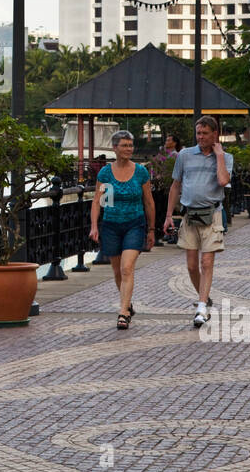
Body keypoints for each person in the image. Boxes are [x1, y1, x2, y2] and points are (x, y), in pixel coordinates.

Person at [162, 115, 233, 328]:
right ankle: (204, 297)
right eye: (198, 133)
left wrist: (219, 156)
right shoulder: (185, 155)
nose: (200, 137)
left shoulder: (225, 157)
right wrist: (168, 216)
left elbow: (223, 181)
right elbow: (176, 186)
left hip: (213, 215)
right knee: (192, 266)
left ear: (215, 134)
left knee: (206, 262)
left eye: (204, 133)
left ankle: (202, 307)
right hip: (189, 215)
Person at [89, 131, 155, 330]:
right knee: (117, 270)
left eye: (130, 145)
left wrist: (151, 230)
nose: (129, 149)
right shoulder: (105, 173)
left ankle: (123, 312)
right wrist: (94, 226)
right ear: (114, 148)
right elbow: (97, 201)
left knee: (127, 268)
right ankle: (128, 304)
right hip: (111, 225)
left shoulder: (141, 172)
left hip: (135, 224)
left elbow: (149, 201)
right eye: (124, 145)